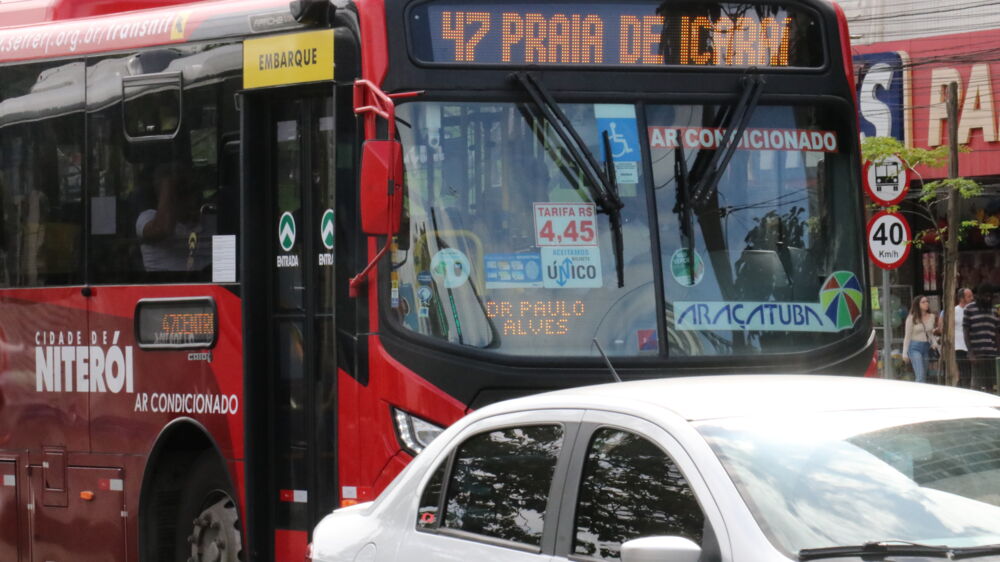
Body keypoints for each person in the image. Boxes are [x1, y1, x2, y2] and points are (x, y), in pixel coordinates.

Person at [135, 163, 214, 272]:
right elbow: (162, 229)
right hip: (166, 287)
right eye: (182, 192)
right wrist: (168, 180)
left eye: (194, 189)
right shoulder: (148, 218)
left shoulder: (214, 219)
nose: (193, 199)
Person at [963, 284, 1000, 392]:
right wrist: (970, 352)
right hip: (977, 354)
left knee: (990, 385)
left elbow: (997, 332)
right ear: (979, 296)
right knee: (976, 385)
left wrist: (998, 351)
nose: (987, 299)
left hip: (991, 353)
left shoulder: (994, 310)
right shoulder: (969, 309)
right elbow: (966, 331)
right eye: (985, 296)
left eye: (990, 297)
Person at [938, 287, 974, 387]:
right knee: (964, 372)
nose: (972, 298)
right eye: (969, 296)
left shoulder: (973, 310)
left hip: (972, 346)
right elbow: (943, 328)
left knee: (970, 373)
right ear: (961, 298)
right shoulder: (953, 311)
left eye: (972, 296)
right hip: (959, 346)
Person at [902, 295, 938, 383]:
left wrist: (934, 342)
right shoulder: (911, 318)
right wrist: (904, 353)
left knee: (924, 374)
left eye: (927, 301)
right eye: (923, 302)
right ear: (917, 304)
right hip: (914, 347)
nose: (926, 304)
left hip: (926, 347)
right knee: (920, 374)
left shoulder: (931, 316)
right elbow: (907, 336)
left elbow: (929, 332)